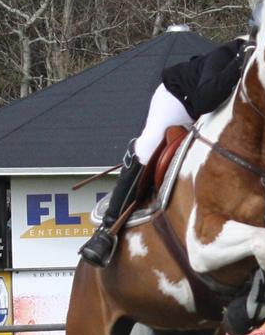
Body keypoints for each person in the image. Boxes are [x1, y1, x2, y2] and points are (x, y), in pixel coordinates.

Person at [79, 31, 254, 267]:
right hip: (183, 100)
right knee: (149, 145)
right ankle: (107, 230)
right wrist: (238, 64)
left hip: (216, 117)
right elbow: (204, 100)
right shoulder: (227, 54)